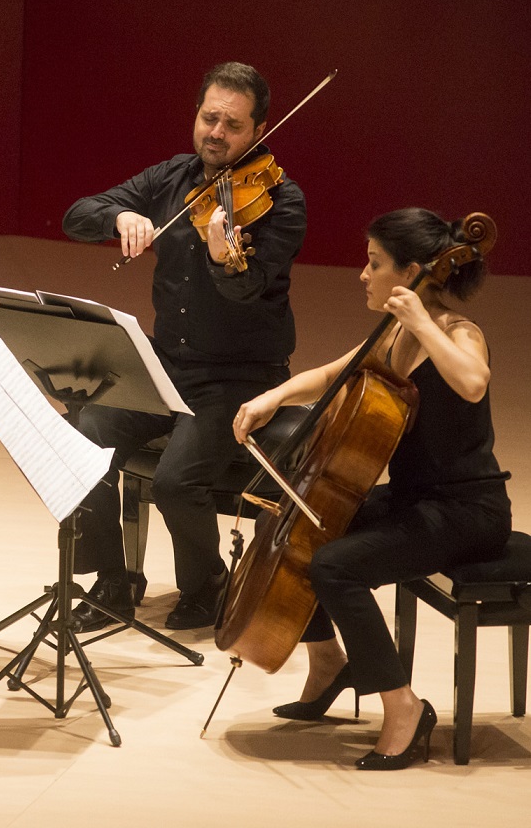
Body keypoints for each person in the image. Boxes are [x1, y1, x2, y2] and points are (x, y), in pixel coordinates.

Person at [233, 207, 511, 770]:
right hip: (417, 500)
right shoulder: (390, 333)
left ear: (410, 273)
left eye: (374, 262)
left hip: (467, 510)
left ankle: (403, 707)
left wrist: (424, 322)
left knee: (336, 565)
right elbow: (334, 374)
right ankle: (330, 663)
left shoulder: (458, 332)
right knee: (295, 528)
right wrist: (272, 397)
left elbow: (473, 383)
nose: (362, 273)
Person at [61, 62, 307, 631]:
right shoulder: (171, 178)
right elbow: (78, 215)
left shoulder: (282, 202)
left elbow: (252, 291)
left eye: (233, 124)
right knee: (84, 433)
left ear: (260, 130)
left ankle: (208, 586)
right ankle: (113, 580)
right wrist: (120, 213)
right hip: (166, 364)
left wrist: (225, 259)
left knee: (176, 480)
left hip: (240, 376)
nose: (216, 133)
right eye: (208, 117)